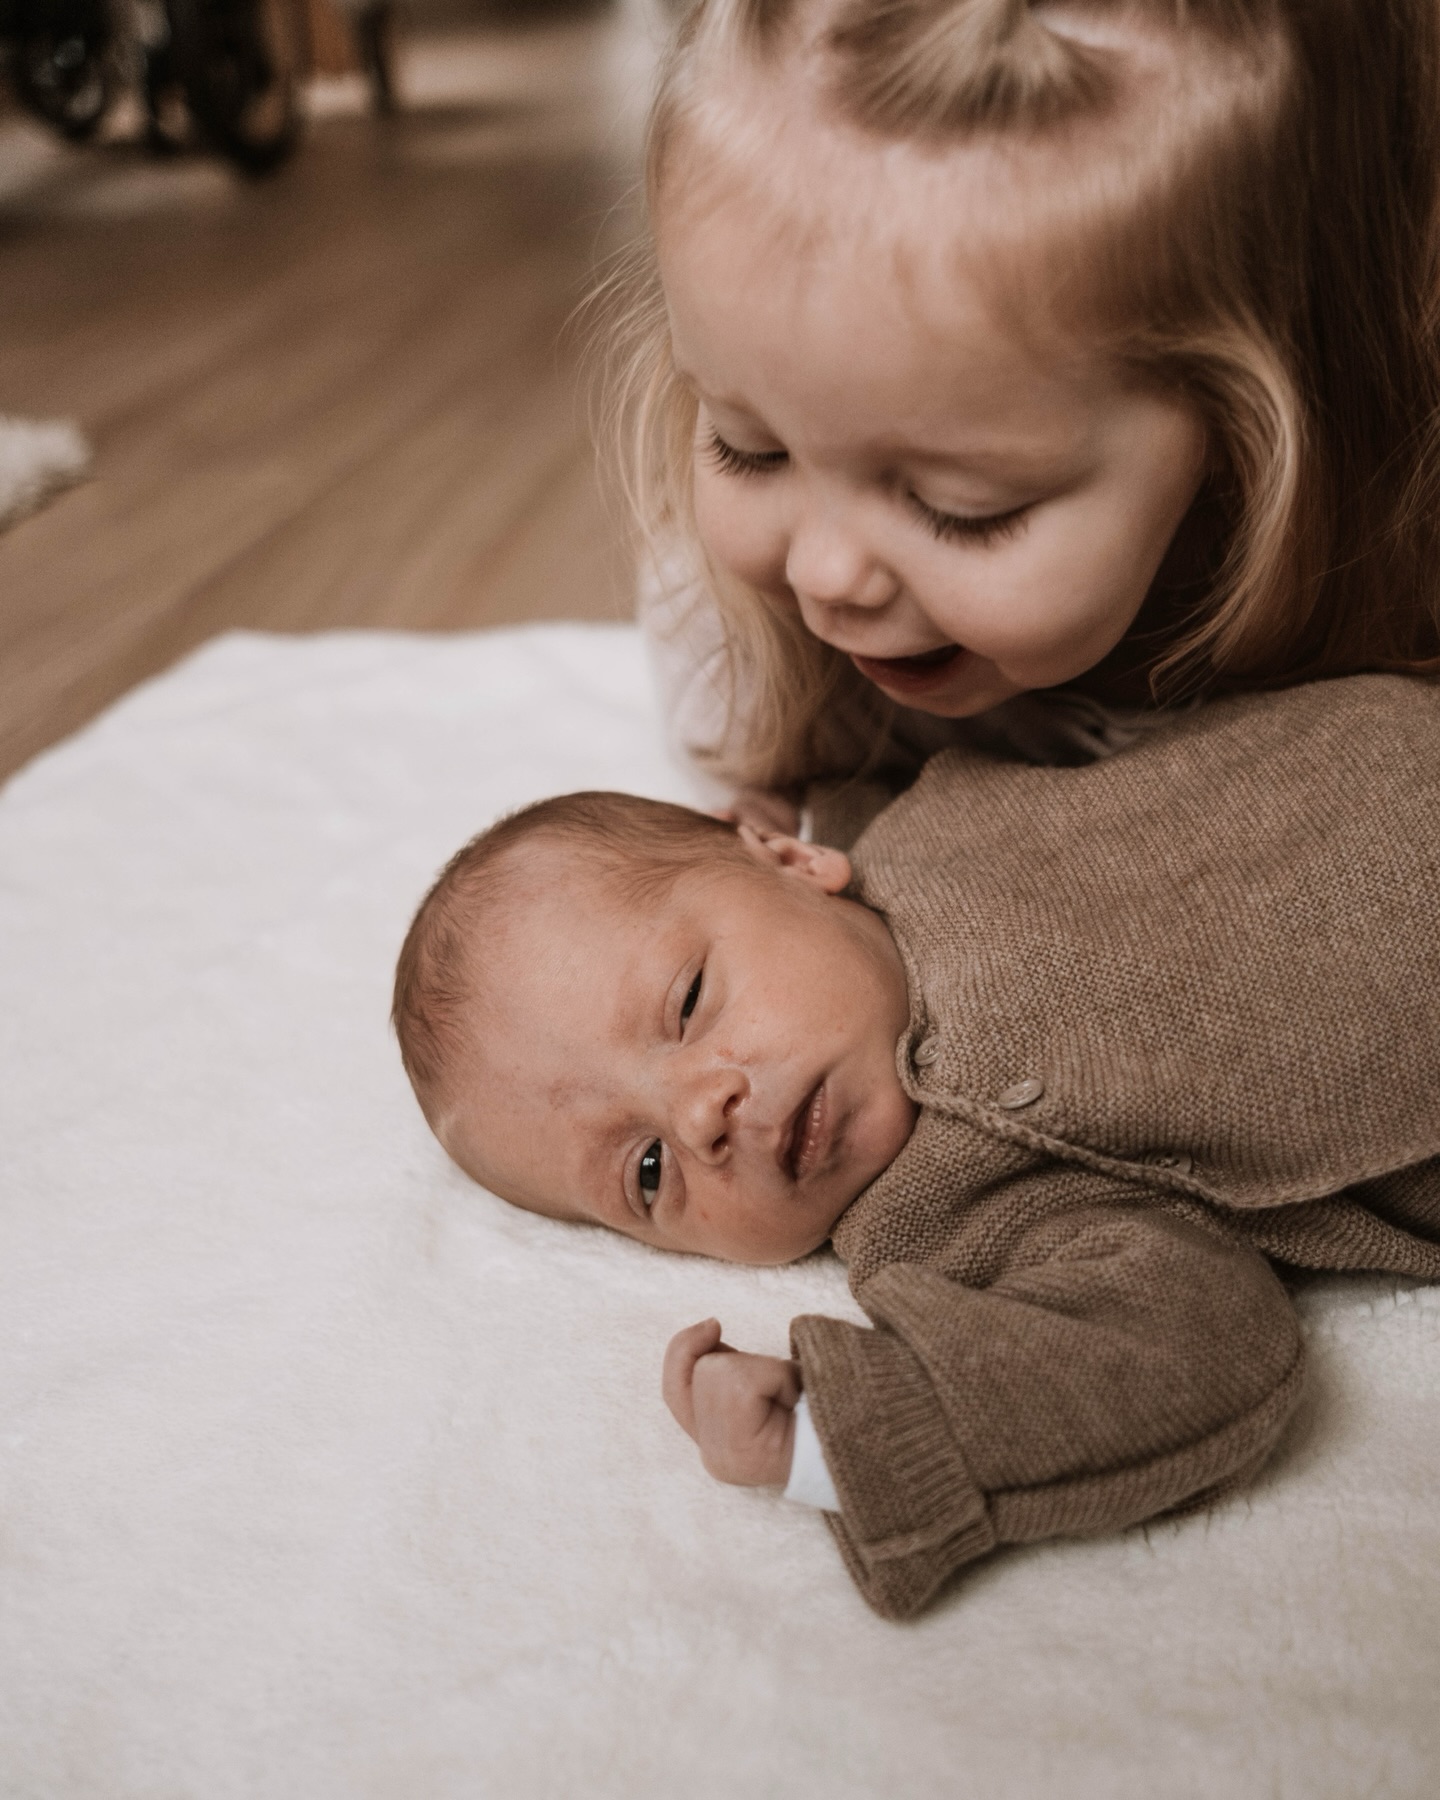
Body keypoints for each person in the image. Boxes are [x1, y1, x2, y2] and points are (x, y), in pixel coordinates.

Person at [390, 675, 1440, 1620]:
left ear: (792, 860)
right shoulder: (954, 1208)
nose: (702, 1116)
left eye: (691, 1001)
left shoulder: (920, 801)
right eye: (649, 1171)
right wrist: (846, 1432)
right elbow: (1189, 1344)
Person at [602, 0, 1440, 831]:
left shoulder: (1392, 640)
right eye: (748, 449)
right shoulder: (727, 651)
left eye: (961, 510)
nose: (823, 573)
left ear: (1244, 432)